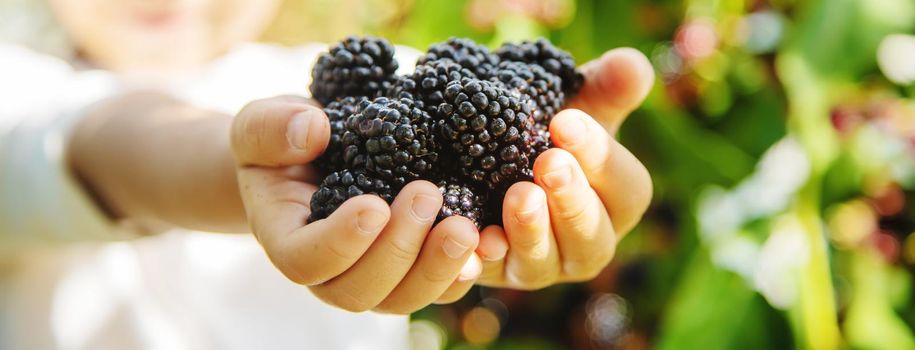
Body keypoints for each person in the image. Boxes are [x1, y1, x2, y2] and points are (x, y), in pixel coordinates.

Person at [0, 0, 654, 348]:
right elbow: (91, 143)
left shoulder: (367, 75)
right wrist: (251, 162)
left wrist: (539, 166)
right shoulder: (16, 86)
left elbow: (465, 114)